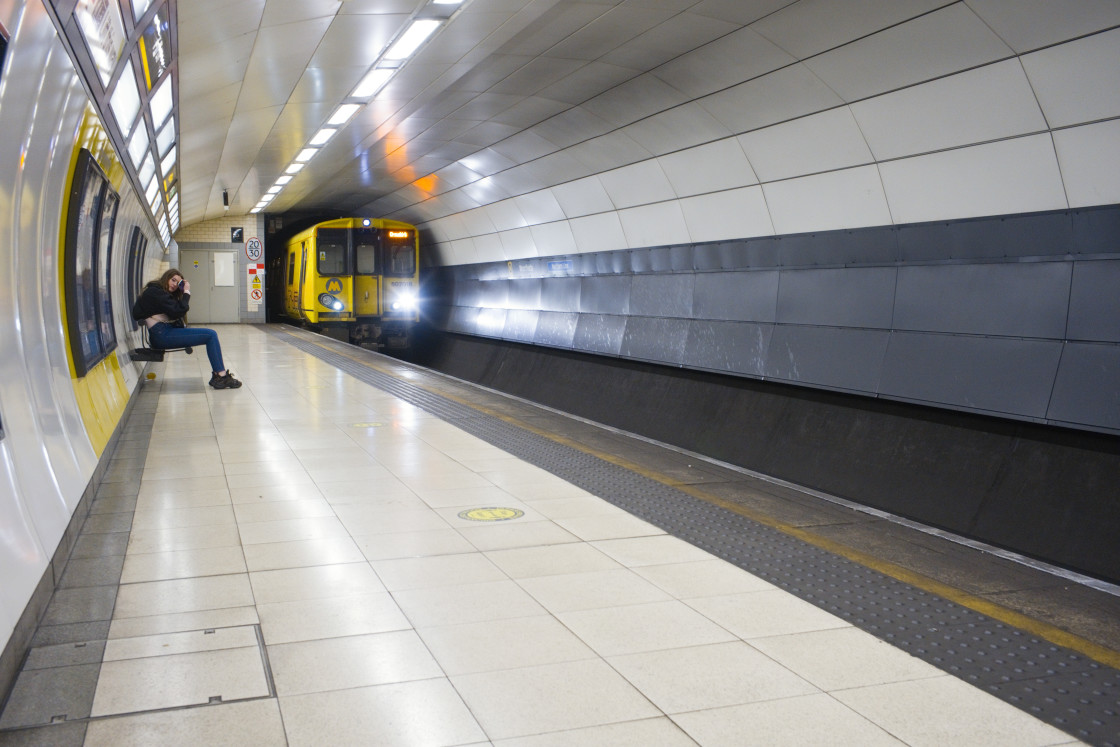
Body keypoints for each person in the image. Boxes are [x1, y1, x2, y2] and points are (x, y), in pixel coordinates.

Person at [131, 268, 243, 389]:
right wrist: (186, 292)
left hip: (163, 332)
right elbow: (179, 310)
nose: (174, 284)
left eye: (178, 283)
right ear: (166, 278)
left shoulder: (158, 292)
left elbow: (176, 312)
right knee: (210, 335)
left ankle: (219, 375)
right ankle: (221, 376)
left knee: (210, 334)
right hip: (161, 334)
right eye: (173, 280)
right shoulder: (155, 292)